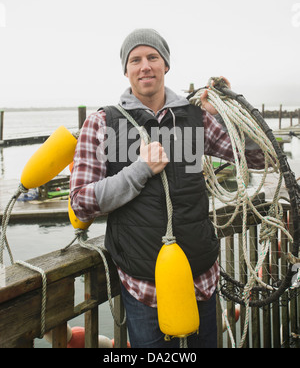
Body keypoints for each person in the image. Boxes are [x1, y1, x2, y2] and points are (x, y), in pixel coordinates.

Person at [70, 28, 265, 348]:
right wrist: (138, 171)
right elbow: (81, 202)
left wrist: (229, 111)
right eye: (135, 60)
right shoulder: (103, 122)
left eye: (152, 57)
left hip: (201, 279)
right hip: (143, 287)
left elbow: (256, 157)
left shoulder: (195, 119)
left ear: (165, 65)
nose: (144, 65)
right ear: (126, 70)